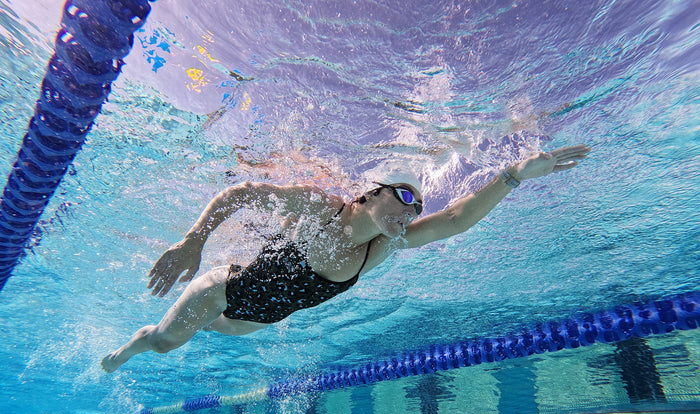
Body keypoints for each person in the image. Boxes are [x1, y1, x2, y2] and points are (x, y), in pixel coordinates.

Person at [101, 145, 591, 372]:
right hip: (223, 289)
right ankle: (131, 346)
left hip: (255, 322)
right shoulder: (319, 209)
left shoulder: (384, 247)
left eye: (417, 206)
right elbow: (244, 193)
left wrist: (514, 176)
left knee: (211, 331)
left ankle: (176, 330)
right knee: (166, 343)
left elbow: (456, 220)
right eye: (404, 196)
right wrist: (193, 242)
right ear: (370, 193)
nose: (412, 212)